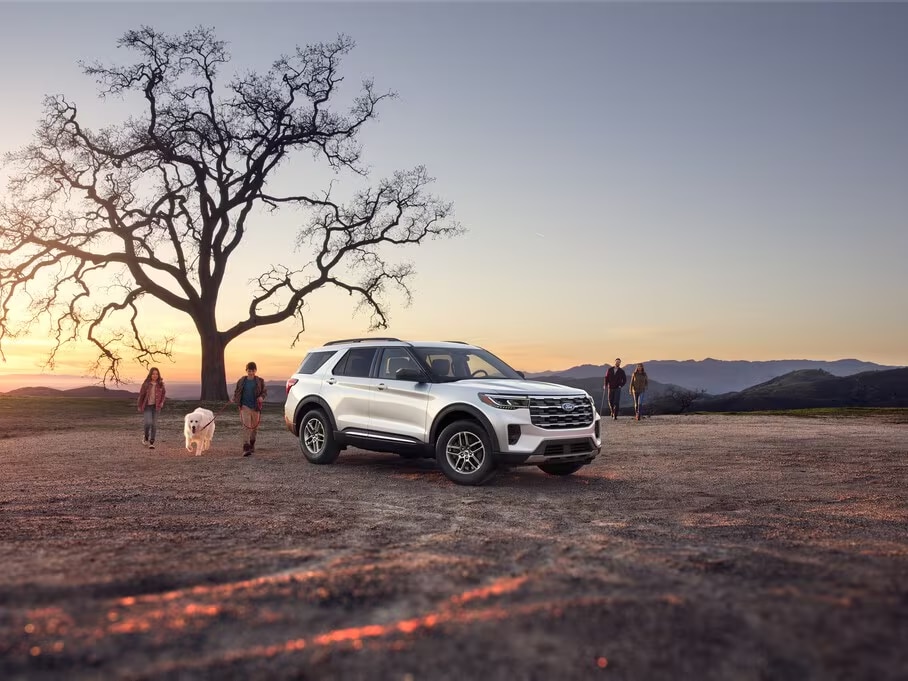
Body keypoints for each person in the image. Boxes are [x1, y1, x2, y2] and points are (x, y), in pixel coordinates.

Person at [232, 361, 267, 456]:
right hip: (244, 406)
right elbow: (237, 391)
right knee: (246, 426)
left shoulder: (260, 381)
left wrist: (261, 397)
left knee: (254, 428)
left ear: (255, 370)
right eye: (249, 370)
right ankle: (246, 447)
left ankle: (252, 444)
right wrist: (235, 398)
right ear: (246, 370)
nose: (251, 372)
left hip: (255, 407)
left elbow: (264, 392)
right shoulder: (242, 381)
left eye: (252, 370)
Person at [137, 367, 166, 449]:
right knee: (148, 423)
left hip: (156, 407)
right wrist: (139, 405)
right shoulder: (146, 384)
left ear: (158, 375)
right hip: (147, 406)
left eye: (156, 374)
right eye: (153, 374)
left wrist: (162, 402)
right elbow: (141, 395)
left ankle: (152, 442)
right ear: (150, 374)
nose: (155, 375)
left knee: (154, 424)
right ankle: (145, 437)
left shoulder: (161, 384)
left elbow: (163, 394)